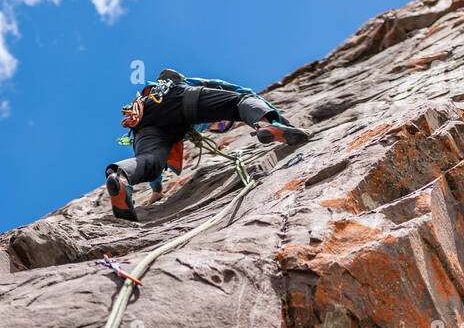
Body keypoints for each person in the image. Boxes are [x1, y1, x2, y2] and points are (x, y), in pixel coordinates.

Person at [105, 69, 310, 220]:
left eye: (220, 128)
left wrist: (156, 190)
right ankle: (264, 125)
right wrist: (282, 123)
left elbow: (153, 161)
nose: (215, 127)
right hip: (180, 99)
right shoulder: (185, 84)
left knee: (149, 160)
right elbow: (242, 91)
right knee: (240, 101)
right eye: (221, 125)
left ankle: (121, 178)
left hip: (144, 122)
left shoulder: (146, 98)